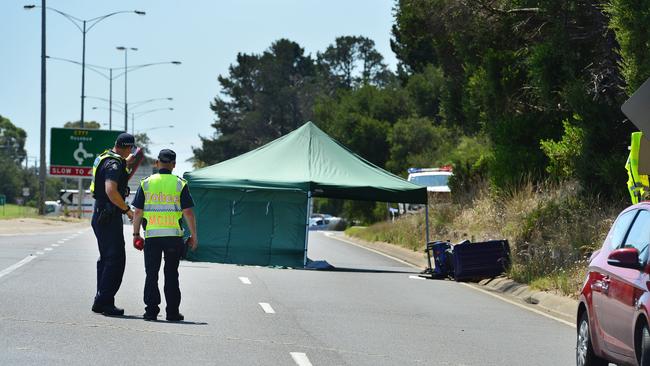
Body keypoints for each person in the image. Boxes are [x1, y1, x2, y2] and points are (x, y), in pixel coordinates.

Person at [131, 149, 198, 322]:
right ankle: (172, 313)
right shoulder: (179, 184)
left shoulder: (146, 183)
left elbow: (138, 211)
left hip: (152, 237)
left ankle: (151, 312)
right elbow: (188, 212)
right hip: (173, 237)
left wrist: (136, 234)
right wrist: (193, 235)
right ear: (174, 165)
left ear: (156, 163)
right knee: (171, 273)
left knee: (151, 274)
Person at [90, 133, 136, 316]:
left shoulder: (106, 157)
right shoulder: (115, 164)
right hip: (109, 215)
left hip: (100, 213)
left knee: (106, 258)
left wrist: (126, 163)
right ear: (127, 147)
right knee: (115, 259)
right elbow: (111, 190)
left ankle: (100, 300)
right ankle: (106, 302)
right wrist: (127, 210)